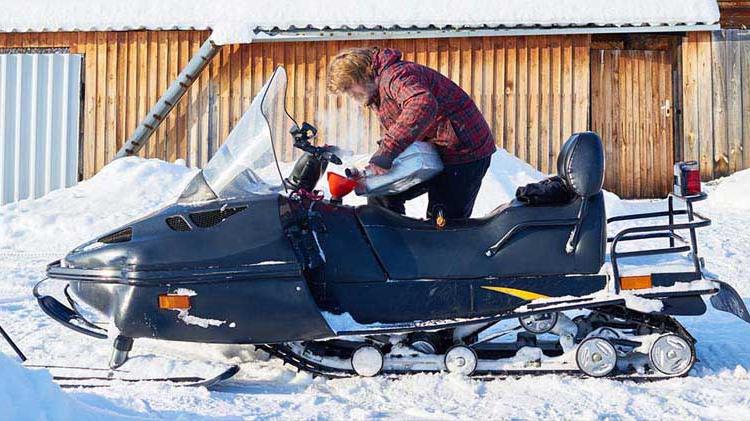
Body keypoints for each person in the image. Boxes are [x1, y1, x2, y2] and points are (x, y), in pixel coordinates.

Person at [327, 47, 495, 219]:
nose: (351, 95)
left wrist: (387, 152)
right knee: (382, 194)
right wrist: (375, 162)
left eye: (349, 87)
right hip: (434, 149)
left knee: (444, 222)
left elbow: (421, 104)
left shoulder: (396, 76)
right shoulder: (376, 92)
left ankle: (446, 242)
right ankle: (391, 242)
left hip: (464, 151)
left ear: (361, 74)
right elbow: (404, 126)